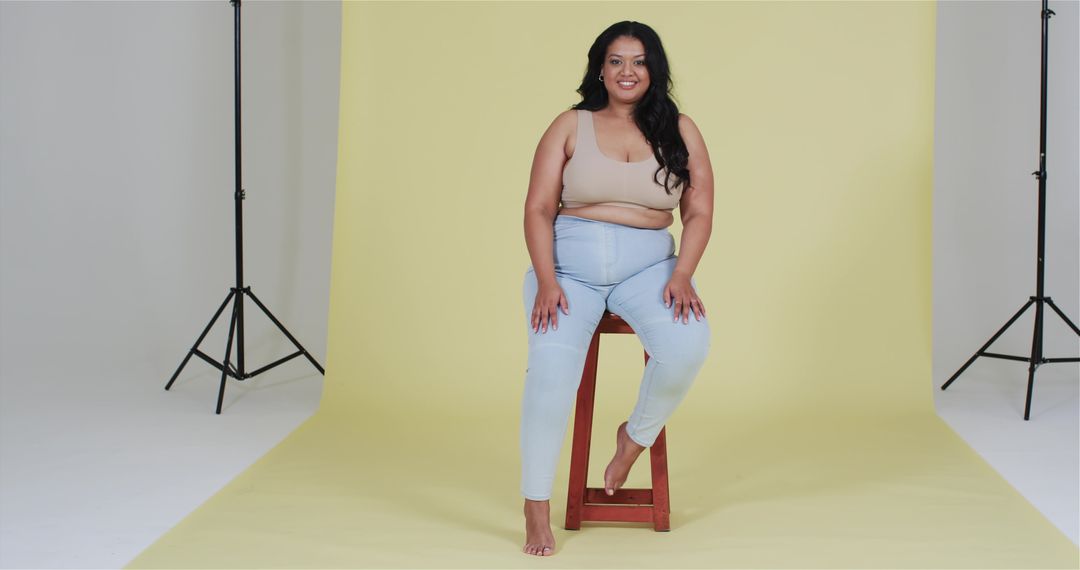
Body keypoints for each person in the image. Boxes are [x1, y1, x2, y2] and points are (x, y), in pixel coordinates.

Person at [519, 20, 714, 556]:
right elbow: (538, 208)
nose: (627, 71)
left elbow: (698, 210)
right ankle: (537, 506)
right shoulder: (570, 124)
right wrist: (547, 281)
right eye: (615, 61)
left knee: (688, 345)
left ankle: (634, 438)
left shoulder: (680, 129)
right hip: (568, 271)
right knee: (552, 372)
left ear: (654, 69)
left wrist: (682, 274)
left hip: (649, 269)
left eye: (639, 61)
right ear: (599, 69)